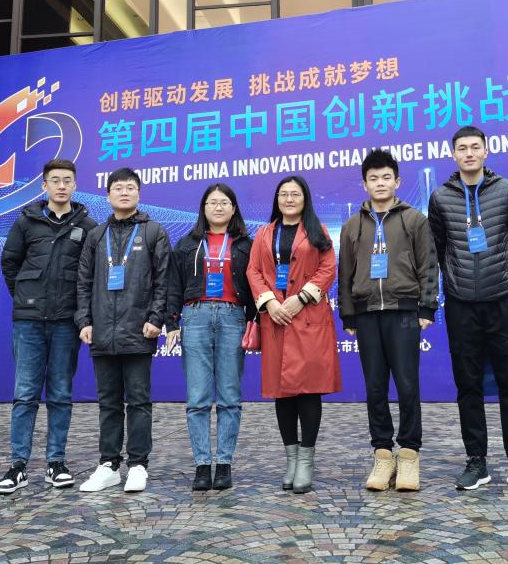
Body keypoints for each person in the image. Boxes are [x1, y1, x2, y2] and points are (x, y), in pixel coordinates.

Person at [428, 126, 508, 493]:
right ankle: (476, 461)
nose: (469, 153)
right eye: (462, 148)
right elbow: (438, 248)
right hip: (461, 305)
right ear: (453, 155)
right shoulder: (440, 197)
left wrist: (503, 273)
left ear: (486, 151)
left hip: (502, 301)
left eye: (475, 147)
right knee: (468, 385)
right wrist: (456, 280)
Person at [0, 159, 96, 495]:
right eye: (55, 180)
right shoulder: (27, 221)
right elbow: (10, 263)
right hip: (29, 322)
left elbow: (90, 275)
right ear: (44, 186)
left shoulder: (88, 226)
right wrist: (26, 297)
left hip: (66, 321)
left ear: (75, 185)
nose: (61, 186)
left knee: (61, 393)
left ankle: (56, 463)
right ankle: (17, 466)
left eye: (67, 180)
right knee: (25, 394)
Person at [338, 149, 438, 492]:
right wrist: (348, 313)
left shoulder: (414, 220)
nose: (380, 183)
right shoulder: (352, 226)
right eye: (373, 178)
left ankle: (409, 454)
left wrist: (426, 307)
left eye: (386, 177)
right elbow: (345, 273)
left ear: (397, 181)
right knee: (375, 386)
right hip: (366, 315)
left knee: (408, 385)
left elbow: (429, 265)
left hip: (404, 312)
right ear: (364, 184)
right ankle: (382, 454)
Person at [75, 167, 171, 493]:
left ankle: (138, 465)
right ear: (108, 195)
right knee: (109, 402)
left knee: (139, 401)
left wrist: (156, 318)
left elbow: (163, 281)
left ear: (139, 194)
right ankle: (108, 465)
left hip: (139, 330)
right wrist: (84, 321)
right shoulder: (96, 235)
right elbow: (83, 282)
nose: (124, 192)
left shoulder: (153, 232)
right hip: (102, 331)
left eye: (130, 187)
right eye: (118, 188)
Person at [246, 175, 339, 493]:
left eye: (295, 194)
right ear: (277, 199)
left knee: (309, 390)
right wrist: (269, 302)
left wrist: (301, 298)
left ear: (305, 198)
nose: (289, 199)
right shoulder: (264, 233)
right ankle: (291, 460)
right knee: (282, 391)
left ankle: (306, 461)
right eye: (283, 194)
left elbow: (328, 268)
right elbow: (253, 270)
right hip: (276, 319)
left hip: (308, 317)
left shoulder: (317, 230)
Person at [165, 183, 256, 491]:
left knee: (230, 396)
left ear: (234, 208)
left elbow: (256, 285)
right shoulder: (187, 243)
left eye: (224, 202)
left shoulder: (246, 245)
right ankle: (202, 464)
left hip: (233, 317)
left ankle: (224, 463)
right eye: (212, 202)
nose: (218, 207)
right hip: (195, 316)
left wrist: (254, 321)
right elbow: (173, 284)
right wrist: (171, 322)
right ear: (203, 208)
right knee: (198, 397)